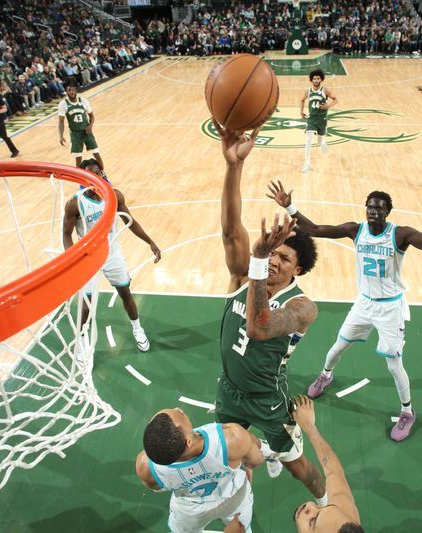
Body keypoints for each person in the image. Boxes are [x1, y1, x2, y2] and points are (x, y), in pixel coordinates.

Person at [267, 179, 422, 441]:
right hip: (364, 303)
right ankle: (325, 376)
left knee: (394, 366)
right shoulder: (355, 230)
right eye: (370, 207)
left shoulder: (400, 235)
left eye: (379, 208)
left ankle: (407, 412)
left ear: (387, 212)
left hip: (390, 308)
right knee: (337, 346)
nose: (373, 212)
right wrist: (290, 206)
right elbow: (313, 229)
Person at [212, 118, 328, 505]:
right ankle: (239, 503)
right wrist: (233, 166)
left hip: (268, 398)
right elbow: (231, 230)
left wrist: (259, 259)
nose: (276, 261)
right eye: (273, 253)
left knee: (299, 468)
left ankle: (331, 504)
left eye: (285, 257)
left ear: (299, 268)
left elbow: (260, 327)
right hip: (229, 391)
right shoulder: (243, 275)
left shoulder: (302, 306)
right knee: (228, 458)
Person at [62, 159, 160, 352]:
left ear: (102, 175)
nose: (95, 178)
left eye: (98, 174)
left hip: (111, 253)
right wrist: (72, 258)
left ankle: (137, 329)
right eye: (90, 175)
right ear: (83, 178)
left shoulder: (114, 197)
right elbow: (66, 234)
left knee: (125, 293)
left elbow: (130, 222)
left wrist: (150, 241)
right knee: (87, 303)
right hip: (88, 258)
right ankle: (81, 340)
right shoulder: (75, 204)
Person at [135, 406, 263, 532]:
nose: (178, 409)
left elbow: (156, 487)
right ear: (188, 442)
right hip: (233, 496)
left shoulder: (145, 467)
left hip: (190, 509)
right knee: (241, 529)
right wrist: (243, 458)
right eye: (180, 414)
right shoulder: (231, 438)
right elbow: (256, 462)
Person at [291, 395, 363, 532]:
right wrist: (309, 426)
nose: (309, 506)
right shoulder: (346, 517)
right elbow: (333, 471)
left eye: (313, 521)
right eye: (322, 507)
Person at [57, 84, 103, 169]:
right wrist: (61, 136)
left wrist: (90, 126)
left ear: (76, 90)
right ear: (66, 92)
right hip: (75, 133)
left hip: (86, 132)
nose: (71, 92)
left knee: (96, 153)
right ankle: (80, 180)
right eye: (69, 90)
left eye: (73, 89)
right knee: (78, 158)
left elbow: (92, 116)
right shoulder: (63, 104)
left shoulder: (84, 101)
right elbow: (61, 122)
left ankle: (103, 175)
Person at [300, 69, 337, 173]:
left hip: (322, 118)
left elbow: (336, 99)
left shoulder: (324, 90)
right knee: (308, 138)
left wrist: (328, 105)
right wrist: (301, 111)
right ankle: (307, 163)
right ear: (311, 80)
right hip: (311, 118)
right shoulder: (308, 91)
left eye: (318, 78)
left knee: (320, 140)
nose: (316, 80)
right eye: (314, 78)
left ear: (321, 79)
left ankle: (323, 141)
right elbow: (302, 100)